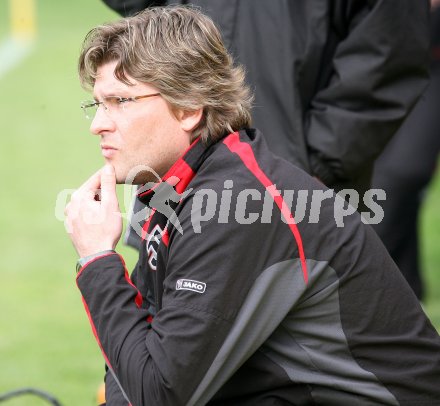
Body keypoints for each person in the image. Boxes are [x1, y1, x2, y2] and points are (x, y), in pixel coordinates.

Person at [65, 6, 440, 405]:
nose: (98, 124)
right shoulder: (179, 188)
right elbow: (141, 362)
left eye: (121, 100)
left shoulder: (237, 206)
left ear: (190, 108)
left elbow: (159, 395)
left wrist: (97, 260)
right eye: (98, 104)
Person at [101, 0, 431, 249]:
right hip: (177, 184)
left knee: (291, 330)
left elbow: (390, 47)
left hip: (302, 183)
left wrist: (320, 167)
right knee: (166, 327)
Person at [372, 1, 440, 300]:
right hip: (378, 66)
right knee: (381, 173)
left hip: (432, 65)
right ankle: (407, 286)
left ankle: (371, 283)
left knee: (402, 172)